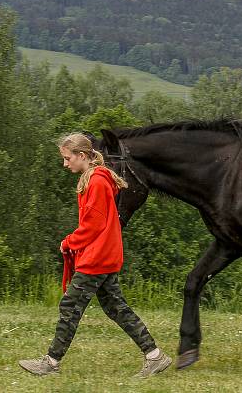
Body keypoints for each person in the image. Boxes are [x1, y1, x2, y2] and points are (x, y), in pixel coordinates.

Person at [18, 133, 171, 378]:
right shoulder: (95, 178)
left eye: (68, 159)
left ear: (82, 156)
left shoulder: (98, 182)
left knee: (70, 306)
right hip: (103, 255)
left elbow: (93, 225)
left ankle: (51, 363)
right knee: (116, 308)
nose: (65, 164)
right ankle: (155, 356)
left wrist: (69, 242)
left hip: (97, 257)